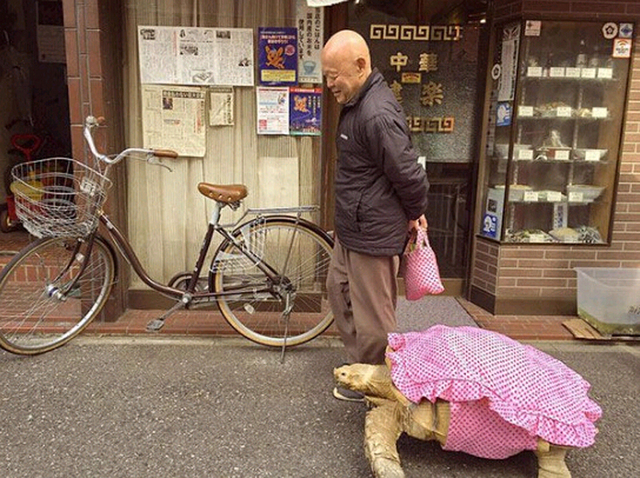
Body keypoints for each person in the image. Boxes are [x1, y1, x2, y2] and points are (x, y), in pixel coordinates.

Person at [321, 30, 430, 402]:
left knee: (375, 320)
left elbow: (408, 172)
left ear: (361, 66)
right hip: (354, 228)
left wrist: (415, 213)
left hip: (373, 232)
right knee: (339, 294)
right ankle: (361, 370)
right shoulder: (357, 103)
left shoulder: (377, 112)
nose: (329, 83)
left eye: (335, 74)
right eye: (326, 74)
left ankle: (382, 390)